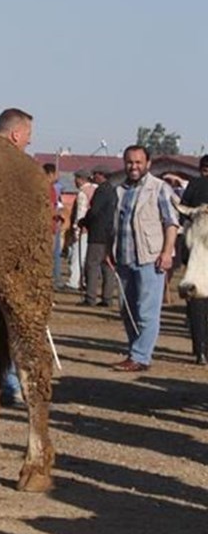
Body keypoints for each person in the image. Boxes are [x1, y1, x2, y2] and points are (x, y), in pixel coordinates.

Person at [111, 145, 179, 372]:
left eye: (138, 162)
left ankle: (140, 356)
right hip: (124, 259)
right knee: (126, 309)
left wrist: (167, 252)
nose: (134, 167)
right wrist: (109, 252)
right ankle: (135, 351)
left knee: (146, 310)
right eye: (130, 162)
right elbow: (116, 226)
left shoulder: (159, 188)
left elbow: (171, 223)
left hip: (150, 258)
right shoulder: (120, 190)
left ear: (148, 164)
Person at [0, 107, 38, 408]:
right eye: (28, 137)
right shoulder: (16, 169)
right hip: (3, 260)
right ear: (16, 134)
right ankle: (6, 384)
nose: (29, 143)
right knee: (10, 324)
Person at [181, 155, 208, 365]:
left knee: (196, 304)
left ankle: (199, 349)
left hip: (195, 254)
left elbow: (183, 214)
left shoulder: (194, 185)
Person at [79, 166, 119, 307]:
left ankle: (90, 297)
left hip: (98, 234)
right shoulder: (113, 190)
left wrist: (84, 221)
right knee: (107, 266)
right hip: (110, 233)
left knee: (92, 265)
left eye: (95, 174)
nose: (93, 177)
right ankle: (107, 298)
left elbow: (94, 211)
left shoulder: (101, 190)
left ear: (102, 175)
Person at [65, 170, 96, 292]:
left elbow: (80, 214)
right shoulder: (94, 190)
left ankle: (74, 281)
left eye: (76, 179)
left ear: (81, 179)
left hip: (83, 230)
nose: (75, 182)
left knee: (77, 256)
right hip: (92, 230)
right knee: (85, 257)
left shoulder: (83, 193)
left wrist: (76, 230)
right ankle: (83, 280)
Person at [42, 163, 65, 288]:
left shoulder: (53, 188)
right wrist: (57, 213)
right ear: (50, 174)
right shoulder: (45, 188)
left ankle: (55, 279)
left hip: (54, 225)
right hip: (49, 227)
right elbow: (47, 207)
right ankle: (52, 280)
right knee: (50, 255)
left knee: (56, 254)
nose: (58, 176)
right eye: (56, 173)